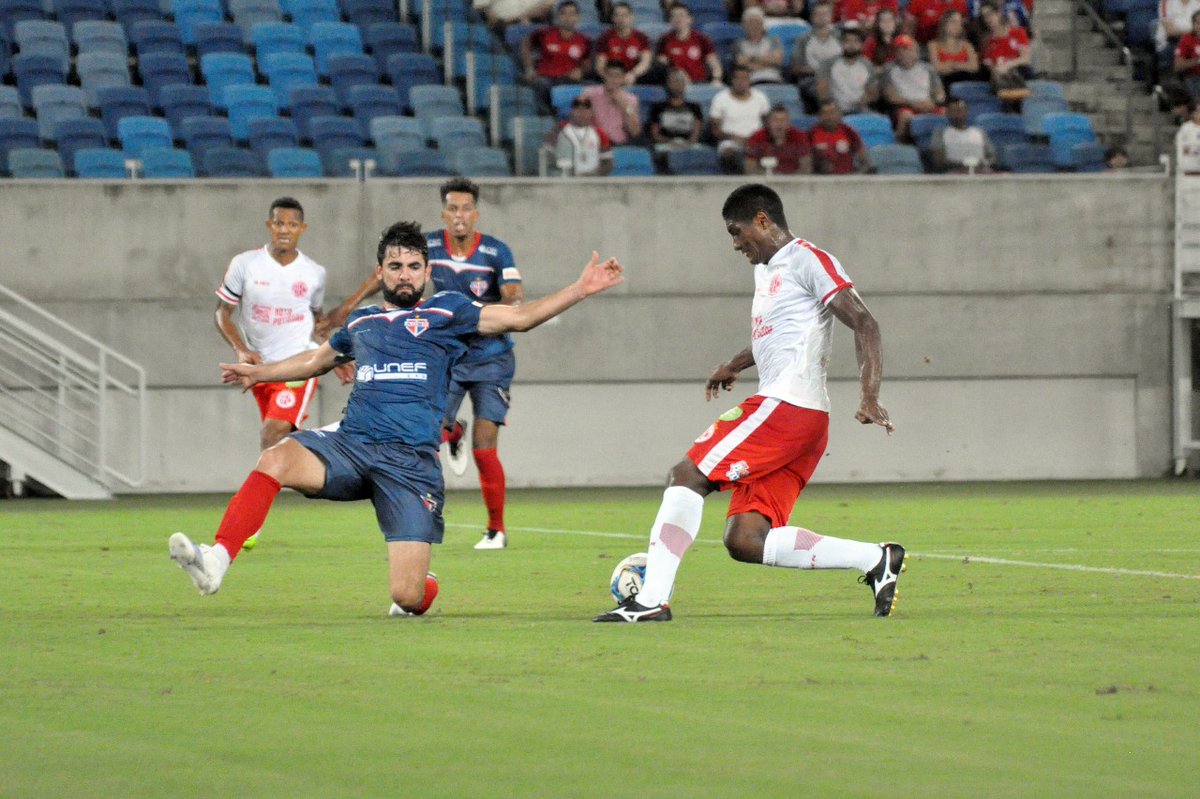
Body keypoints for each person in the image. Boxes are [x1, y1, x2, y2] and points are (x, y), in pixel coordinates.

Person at [169, 222, 624, 615]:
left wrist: (579, 289)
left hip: (409, 466)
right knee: (275, 457)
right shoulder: (363, 323)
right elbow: (313, 363)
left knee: (406, 596)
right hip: (351, 446)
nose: (404, 275)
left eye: (412, 267)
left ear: (427, 272)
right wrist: (260, 371)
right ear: (381, 272)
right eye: (394, 267)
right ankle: (217, 562)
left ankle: (422, 581)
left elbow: (520, 317)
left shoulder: (449, 312)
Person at [593, 184, 904, 623]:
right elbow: (779, 334)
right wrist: (735, 363)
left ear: (762, 219)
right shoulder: (768, 268)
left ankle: (650, 600)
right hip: (803, 420)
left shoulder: (808, 259)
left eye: (736, 232)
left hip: (786, 408)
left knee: (686, 475)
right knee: (746, 539)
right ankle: (875, 558)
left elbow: (865, 323)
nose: (736, 244)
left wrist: (870, 396)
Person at [324, 179, 528, 550]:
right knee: (427, 433)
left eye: (466, 208)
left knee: (486, 447)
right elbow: (379, 276)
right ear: (443, 213)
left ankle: (496, 529)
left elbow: (514, 293)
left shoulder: (497, 251)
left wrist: (508, 309)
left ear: (475, 213)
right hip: (444, 356)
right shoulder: (427, 248)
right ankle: (452, 433)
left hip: (491, 358)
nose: (459, 215)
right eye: (452, 208)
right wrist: (345, 308)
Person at [214, 197, 331, 552]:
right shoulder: (245, 265)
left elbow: (316, 320)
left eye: (292, 225)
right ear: (269, 226)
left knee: (271, 434)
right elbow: (222, 313)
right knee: (278, 447)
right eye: (279, 223)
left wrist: (332, 359)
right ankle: (323, 464)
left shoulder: (314, 273)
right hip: (259, 371)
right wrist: (240, 349)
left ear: (302, 229)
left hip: (299, 365)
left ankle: (249, 524)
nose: (285, 230)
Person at [522, 0, 592, 98]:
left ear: (578, 17)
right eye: (564, 14)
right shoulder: (545, 34)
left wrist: (581, 70)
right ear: (558, 17)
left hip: (569, 80)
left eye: (572, 14)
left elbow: (587, 62)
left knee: (593, 89)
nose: (568, 18)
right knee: (540, 85)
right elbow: (526, 43)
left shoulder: (584, 40)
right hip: (546, 78)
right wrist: (529, 69)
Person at [710, 65, 773, 173]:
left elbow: (770, 124)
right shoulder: (720, 98)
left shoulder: (760, 97)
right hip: (730, 142)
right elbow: (714, 130)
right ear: (732, 80)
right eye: (737, 78)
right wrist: (734, 137)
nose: (741, 82)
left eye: (744, 78)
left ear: (749, 80)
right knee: (729, 154)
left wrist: (755, 139)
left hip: (757, 141)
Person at [882, 33, 945, 139]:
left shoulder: (928, 69)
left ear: (916, 52)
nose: (904, 53)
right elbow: (890, 97)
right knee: (905, 116)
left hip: (928, 105)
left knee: (944, 113)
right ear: (895, 53)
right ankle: (899, 144)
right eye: (900, 50)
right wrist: (914, 103)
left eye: (908, 49)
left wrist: (934, 102)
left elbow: (940, 93)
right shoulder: (889, 70)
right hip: (905, 107)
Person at [649, 66, 706, 165]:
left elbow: (696, 133)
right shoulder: (658, 107)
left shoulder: (694, 107)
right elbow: (655, 135)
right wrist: (671, 142)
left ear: (685, 84)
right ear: (667, 84)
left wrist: (687, 144)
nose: (676, 84)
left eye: (679, 81)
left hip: (689, 145)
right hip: (666, 145)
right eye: (673, 81)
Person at [791, 2, 843, 110]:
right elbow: (796, 68)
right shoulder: (803, 39)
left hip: (839, 77)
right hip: (812, 79)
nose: (822, 17)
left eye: (825, 14)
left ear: (831, 16)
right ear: (812, 17)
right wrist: (821, 71)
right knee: (825, 89)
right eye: (818, 14)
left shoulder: (840, 37)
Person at [656, 3, 724, 85]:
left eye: (681, 15)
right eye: (674, 16)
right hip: (676, 85)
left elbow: (714, 64)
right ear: (670, 21)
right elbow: (663, 66)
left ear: (690, 19)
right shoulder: (664, 40)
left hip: (699, 83)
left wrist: (716, 79)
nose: (678, 19)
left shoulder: (701, 39)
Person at [594, 1, 661, 84]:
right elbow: (600, 66)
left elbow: (645, 62)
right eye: (617, 15)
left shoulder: (641, 37)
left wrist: (633, 74)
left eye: (624, 15)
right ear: (612, 18)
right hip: (611, 77)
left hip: (635, 76)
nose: (620, 19)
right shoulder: (605, 37)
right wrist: (612, 79)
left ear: (631, 17)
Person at [817, 26, 879, 114]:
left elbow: (873, 93)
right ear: (841, 43)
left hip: (859, 109)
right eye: (847, 41)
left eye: (856, 41)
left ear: (861, 45)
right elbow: (822, 91)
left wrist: (866, 99)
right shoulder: (828, 64)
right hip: (834, 110)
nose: (851, 45)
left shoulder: (868, 65)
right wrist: (831, 105)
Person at [581, 61, 643, 145]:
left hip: (619, 144)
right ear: (604, 76)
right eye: (610, 75)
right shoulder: (590, 94)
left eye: (617, 76)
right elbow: (577, 119)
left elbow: (635, 132)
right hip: (594, 143)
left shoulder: (631, 99)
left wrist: (626, 107)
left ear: (623, 78)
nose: (613, 79)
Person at [979, 1, 1032, 100]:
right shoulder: (988, 42)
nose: (987, 19)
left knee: (1013, 72)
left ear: (998, 13)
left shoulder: (1018, 32)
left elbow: (1025, 59)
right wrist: (999, 68)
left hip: (1018, 70)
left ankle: (1014, 96)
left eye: (989, 14)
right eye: (984, 16)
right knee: (997, 75)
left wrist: (1007, 65)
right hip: (999, 76)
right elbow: (990, 67)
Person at [552, 96, 615, 175]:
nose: (581, 112)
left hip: (592, 180)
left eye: (585, 109)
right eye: (577, 109)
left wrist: (592, 176)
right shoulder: (559, 129)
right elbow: (548, 153)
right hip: (566, 179)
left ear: (591, 112)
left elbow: (608, 163)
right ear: (571, 111)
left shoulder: (600, 133)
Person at [929, 96, 995, 171]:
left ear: (967, 111)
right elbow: (938, 161)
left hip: (982, 171)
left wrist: (982, 164)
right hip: (954, 173)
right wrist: (963, 165)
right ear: (947, 113)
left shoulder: (979, 132)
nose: (958, 114)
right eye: (954, 111)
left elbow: (992, 157)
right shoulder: (940, 133)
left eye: (960, 110)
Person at [744, 104, 813, 173]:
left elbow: (806, 166)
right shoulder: (756, 137)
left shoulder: (799, 137)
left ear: (789, 123)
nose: (779, 124)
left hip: (793, 179)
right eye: (775, 120)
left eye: (783, 120)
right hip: (763, 179)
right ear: (768, 122)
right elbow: (750, 167)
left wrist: (791, 180)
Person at [810, 99, 870, 173]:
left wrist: (855, 176)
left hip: (846, 179)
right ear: (819, 116)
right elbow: (806, 162)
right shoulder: (811, 133)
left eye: (832, 112)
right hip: (820, 179)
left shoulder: (849, 132)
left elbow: (865, 163)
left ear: (839, 115)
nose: (829, 117)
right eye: (825, 113)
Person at [926, 9, 980, 89]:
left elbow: (974, 67)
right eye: (953, 22)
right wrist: (962, 65)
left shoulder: (967, 45)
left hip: (965, 81)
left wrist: (952, 65)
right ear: (944, 24)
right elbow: (936, 68)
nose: (957, 26)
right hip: (944, 83)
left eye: (960, 23)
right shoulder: (933, 45)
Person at [734, 6, 785, 84]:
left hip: (774, 79)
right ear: (744, 26)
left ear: (763, 24)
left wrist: (751, 58)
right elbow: (741, 63)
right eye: (750, 23)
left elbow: (778, 60)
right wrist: (767, 61)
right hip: (750, 81)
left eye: (757, 22)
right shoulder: (739, 43)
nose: (754, 26)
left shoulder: (773, 40)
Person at [1174, 10, 1200, 101]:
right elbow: (1177, 66)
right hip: (1194, 77)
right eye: (1197, 22)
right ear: (1193, 24)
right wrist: (1198, 61)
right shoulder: (1186, 39)